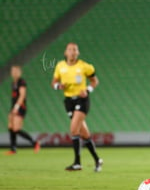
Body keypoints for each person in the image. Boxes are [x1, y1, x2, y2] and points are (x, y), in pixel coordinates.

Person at [51, 42, 103, 172]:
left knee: (74, 129)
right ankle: (97, 160)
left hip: (82, 100)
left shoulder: (85, 66)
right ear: (65, 52)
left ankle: (77, 163)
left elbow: (95, 81)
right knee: (84, 133)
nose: (72, 52)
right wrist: (58, 86)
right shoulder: (60, 66)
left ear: (78, 53)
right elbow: (54, 82)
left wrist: (88, 90)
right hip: (69, 101)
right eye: (70, 49)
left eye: (75, 50)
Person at [5, 65, 40, 155]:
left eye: (16, 71)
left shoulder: (21, 82)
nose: (14, 73)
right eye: (13, 71)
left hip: (20, 107)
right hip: (14, 107)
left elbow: (22, 95)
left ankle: (34, 142)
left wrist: (16, 107)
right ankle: (13, 148)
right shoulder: (14, 83)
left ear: (20, 72)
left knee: (16, 129)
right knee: (10, 127)